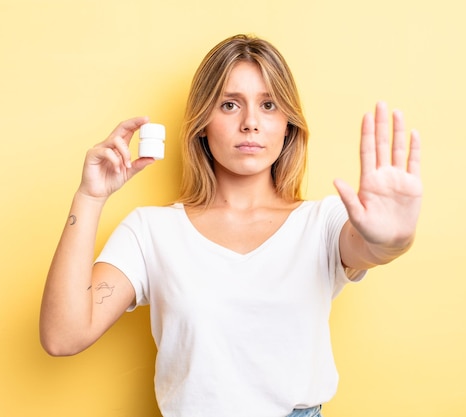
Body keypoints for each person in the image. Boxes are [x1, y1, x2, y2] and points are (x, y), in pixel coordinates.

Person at [40, 34, 422, 417]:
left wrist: (392, 239)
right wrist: (90, 198)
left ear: (287, 125)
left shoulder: (323, 223)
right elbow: (63, 335)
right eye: (229, 105)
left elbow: (371, 247)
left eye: (268, 105)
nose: (251, 123)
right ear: (202, 124)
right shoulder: (150, 231)